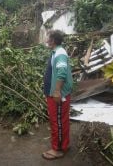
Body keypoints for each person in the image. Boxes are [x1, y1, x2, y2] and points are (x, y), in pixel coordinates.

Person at [42, 30, 73, 160]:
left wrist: (56, 91)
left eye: (47, 37)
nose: (45, 39)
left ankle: (58, 149)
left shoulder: (60, 54)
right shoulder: (56, 52)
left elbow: (61, 73)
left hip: (58, 94)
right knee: (60, 120)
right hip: (53, 93)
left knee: (58, 122)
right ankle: (64, 144)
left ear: (53, 40)